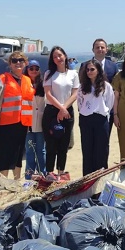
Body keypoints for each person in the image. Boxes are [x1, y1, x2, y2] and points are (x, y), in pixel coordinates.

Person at [0, 52, 33, 179]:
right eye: (14, 61)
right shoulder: (3, 79)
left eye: (21, 60)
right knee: (5, 153)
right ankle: (3, 183)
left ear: (25, 63)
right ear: (10, 64)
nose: (18, 63)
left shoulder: (27, 80)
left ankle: (16, 182)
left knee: (18, 154)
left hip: (23, 124)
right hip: (7, 124)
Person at [43, 46, 80, 177]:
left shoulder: (73, 74)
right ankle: (49, 173)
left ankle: (61, 172)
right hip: (51, 111)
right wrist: (61, 108)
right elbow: (48, 94)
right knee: (51, 146)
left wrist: (64, 109)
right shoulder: (49, 74)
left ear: (65, 56)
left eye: (60, 55)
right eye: (55, 57)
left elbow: (75, 93)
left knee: (63, 146)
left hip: (67, 112)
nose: (58, 58)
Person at [77, 59, 114, 175]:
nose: (89, 72)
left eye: (92, 69)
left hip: (101, 119)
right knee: (87, 150)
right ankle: (87, 181)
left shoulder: (106, 86)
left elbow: (110, 102)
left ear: (98, 70)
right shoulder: (82, 86)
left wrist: (102, 111)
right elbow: (79, 102)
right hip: (86, 119)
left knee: (101, 150)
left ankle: (101, 179)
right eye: (87, 70)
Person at [23, 60, 47, 180]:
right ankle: (29, 176)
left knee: (41, 150)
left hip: (40, 122)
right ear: (27, 70)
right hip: (27, 122)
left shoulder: (44, 84)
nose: (33, 71)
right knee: (29, 150)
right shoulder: (23, 83)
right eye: (31, 68)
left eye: (36, 68)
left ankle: (43, 175)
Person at [92, 39, 119, 138]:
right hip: (91, 110)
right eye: (97, 47)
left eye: (102, 47)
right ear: (93, 50)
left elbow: (116, 89)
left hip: (108, 109)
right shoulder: (85, 65)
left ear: (106, 50)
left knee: (105, 139)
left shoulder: (113, 66)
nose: (100, 49)